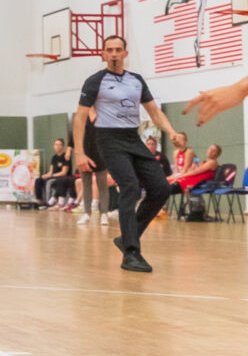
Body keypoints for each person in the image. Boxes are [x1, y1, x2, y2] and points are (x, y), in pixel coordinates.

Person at [74, 36, 182, 273]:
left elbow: (154, 112)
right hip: (108, 139)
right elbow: (80, 117)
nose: (113, 54)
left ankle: (126, 238)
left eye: (118, 50)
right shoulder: (95, 81)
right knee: (130, 186)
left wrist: (172, 132)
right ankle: (131, 253)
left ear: (125, 53)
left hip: (133, 138)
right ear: (103, 54)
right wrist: (79, 153)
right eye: (109, 50)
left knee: (161, 188)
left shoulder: (136, 81)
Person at [73, 108, 113, 225]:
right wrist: (78, 154)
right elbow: (75, 136)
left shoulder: (103, 114)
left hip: (100, 154)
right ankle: (87, 214)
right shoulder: (81, 115)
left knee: (102, 185)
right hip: (84, 154)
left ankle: (104, 214)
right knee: (86, 185)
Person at [173, 143, 221, 215]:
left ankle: (196, 212)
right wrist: (194, 161)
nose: (210, 151)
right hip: (193, 180)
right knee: (172, 183)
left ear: (217, 154)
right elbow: (193, 169)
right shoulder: (204, 162)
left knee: (177, 185)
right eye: (210, 149)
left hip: (200, 183)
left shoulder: (212, 162)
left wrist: (180, 176)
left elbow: (195, 172)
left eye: (213, 150)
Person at [35, 139, 71, 207]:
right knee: (38, 180)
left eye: (59, 144)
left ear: (63, 146)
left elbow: (64, 172)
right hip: (52, 175)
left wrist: (52, 175)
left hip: (60, 177)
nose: (57, 146)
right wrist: (46, 175)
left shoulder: (65, 157)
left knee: (49, 182)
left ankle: (48, 202)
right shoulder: (54, 157)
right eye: (55, 144)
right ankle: (39, 200)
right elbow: (50, 171)